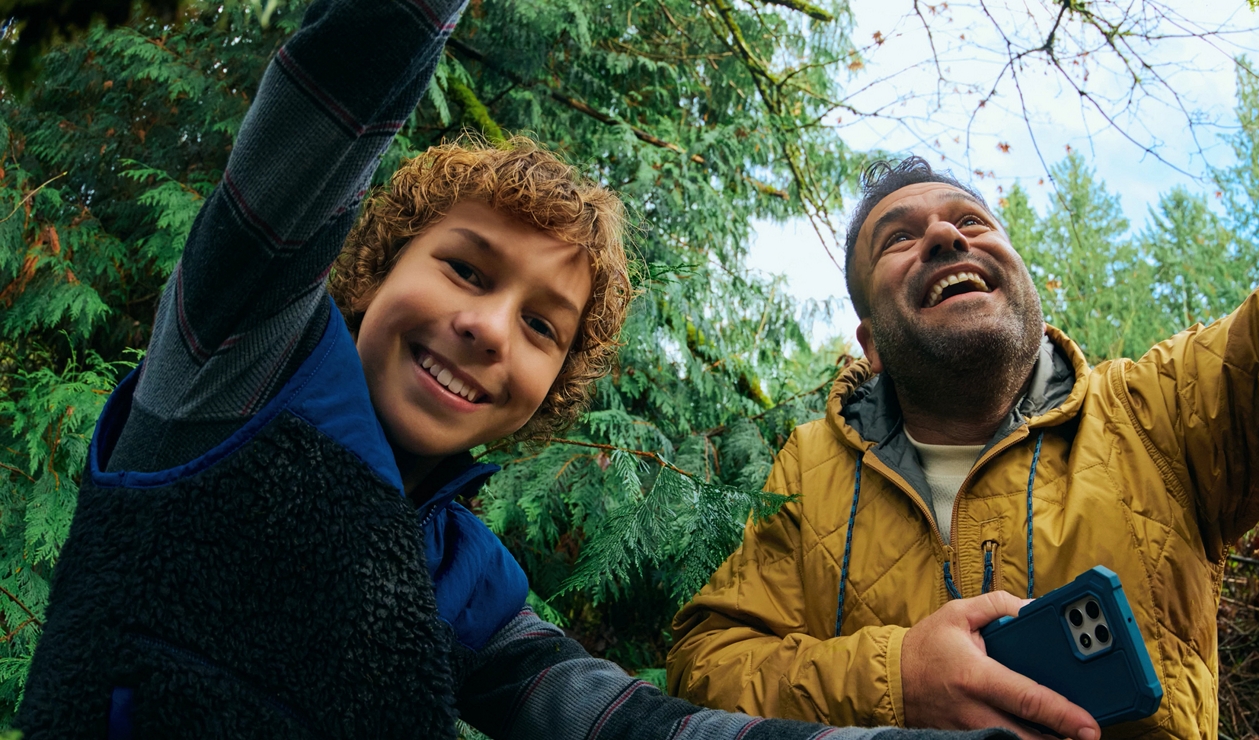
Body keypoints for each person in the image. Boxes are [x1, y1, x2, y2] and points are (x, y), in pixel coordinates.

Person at [15, 4, 1019, 739]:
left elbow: (629, 724)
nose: (489, 328)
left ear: (549, 390)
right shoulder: (236, 361)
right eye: (465, 268)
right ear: (373, 268)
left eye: (542, 325)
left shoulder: (467, 580)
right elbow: (342, 78)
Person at [666, 155, 1259, 740]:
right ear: (871, 345)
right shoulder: (809, 469)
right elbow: (705, 666)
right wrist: (896, 680)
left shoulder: (1159, 409)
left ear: (1024, 280)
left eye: (971, 222)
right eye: (898, 238)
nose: (945, 236)